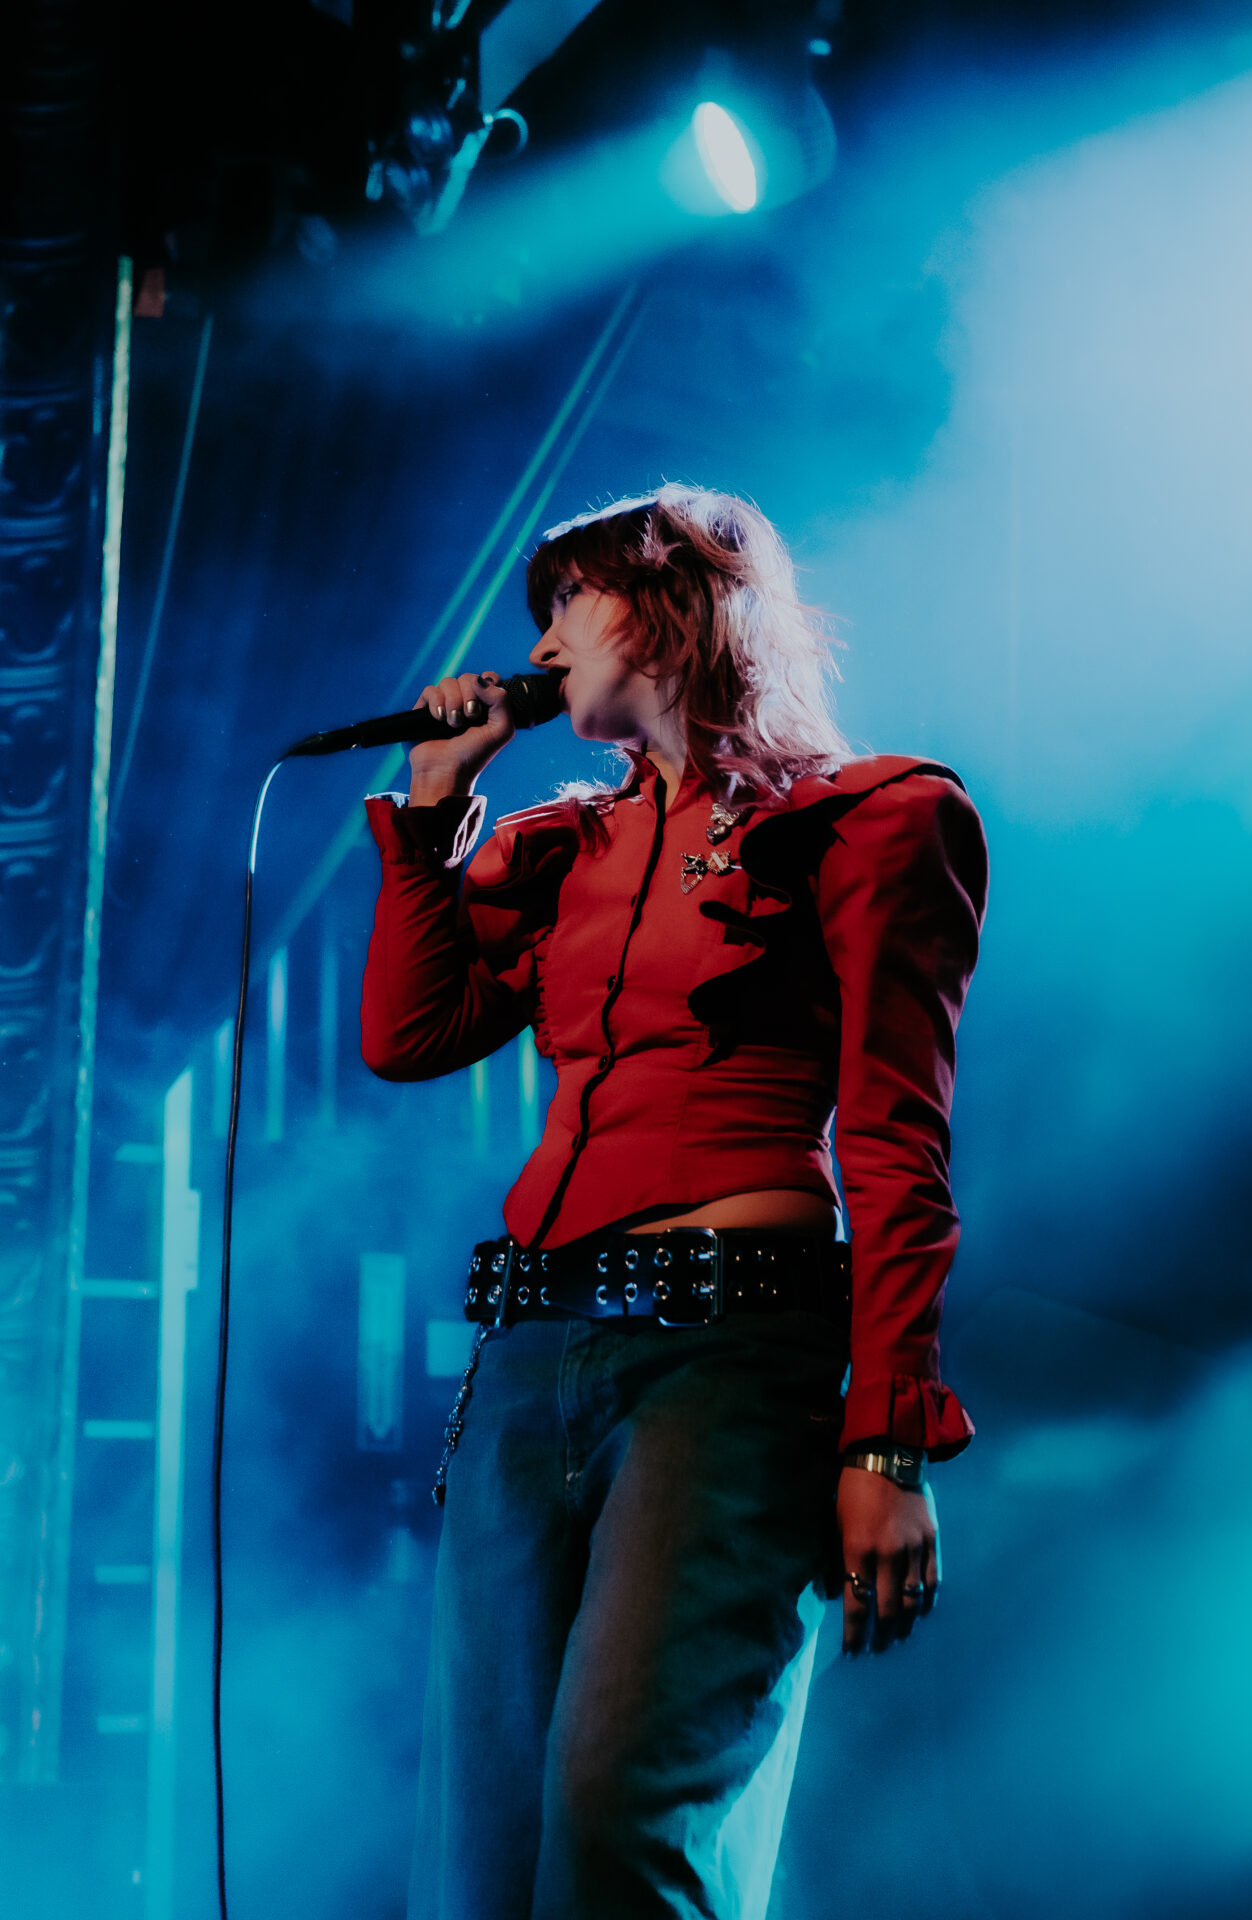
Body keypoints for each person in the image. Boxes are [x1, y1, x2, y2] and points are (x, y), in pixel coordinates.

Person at [359, 484, 988, 1920]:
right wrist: (435, 808)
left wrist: (887, 1440)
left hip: (728, 1359)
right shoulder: (558, 849)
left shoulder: (871, 820)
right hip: (530, 1358)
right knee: (479, 1856)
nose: (540, 642)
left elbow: (899, 1144)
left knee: (621, 1815)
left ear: (676, 600)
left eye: (569, 602)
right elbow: (410, 1033)